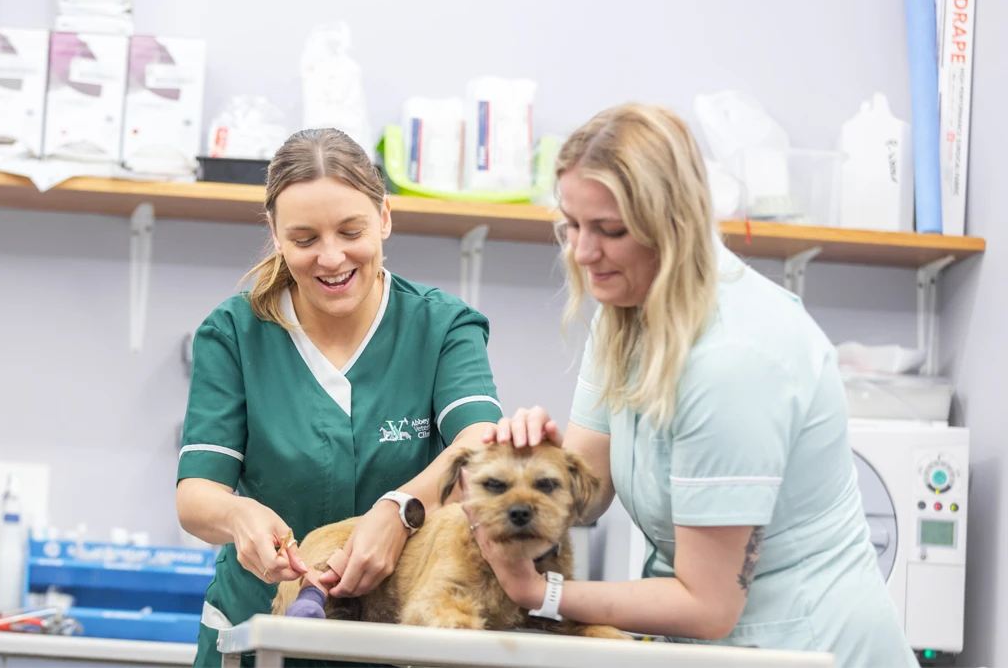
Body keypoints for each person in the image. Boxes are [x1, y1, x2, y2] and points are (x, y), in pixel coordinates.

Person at [464, 104, 918, 667]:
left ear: (672, 225)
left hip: (802, 645)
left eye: (611, 230)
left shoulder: (735, 359)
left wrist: (541, 594)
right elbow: (590, 495)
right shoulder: (624, 310)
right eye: (572, 225)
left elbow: (709, 606)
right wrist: (541, 468)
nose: (582, 254)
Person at [175, 127, 504, 667]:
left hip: (395, 632)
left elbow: (482, 443)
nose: (331, 258)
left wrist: (401, 510)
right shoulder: (235, 333)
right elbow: (196, 496)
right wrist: (239, 518)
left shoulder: (441, 326)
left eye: (351, 231)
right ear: (276, 236)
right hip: (260, 629)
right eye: (304, 240)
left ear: (386, 219)